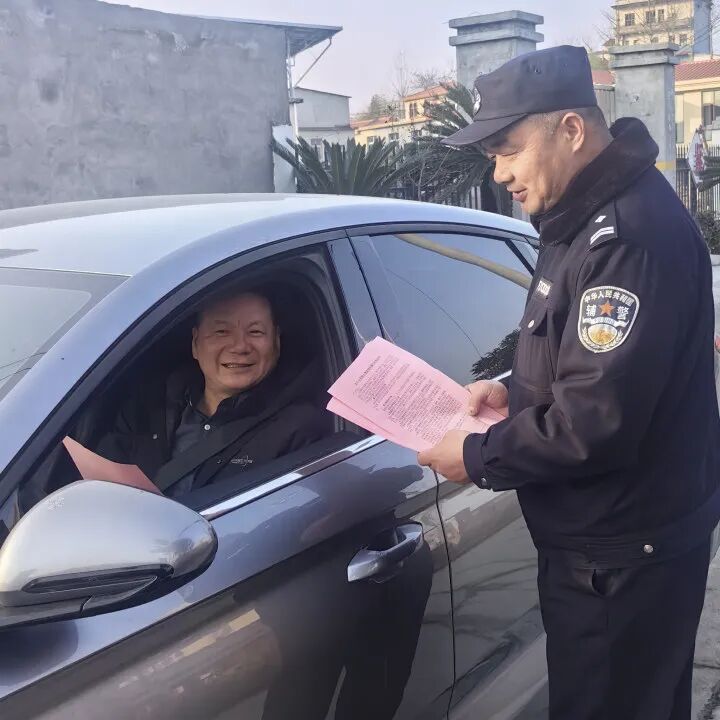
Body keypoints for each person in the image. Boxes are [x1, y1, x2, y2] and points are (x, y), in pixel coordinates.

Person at [418, 45, 720, 720]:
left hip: (619, 557)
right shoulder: (580, 218)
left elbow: (593, 422)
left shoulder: (623, 239)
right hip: (618, 545)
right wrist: (512, 390)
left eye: (508, 150)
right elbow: (582, 358)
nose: (499, 173)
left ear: (572, 130)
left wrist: (477, 456)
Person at [96, 289, 329, 496]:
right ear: (195, 343)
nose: (240, 346)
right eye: (221, 331)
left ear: (276, 342)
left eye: (256, 332)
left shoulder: (299, 429)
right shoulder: (148, 406)